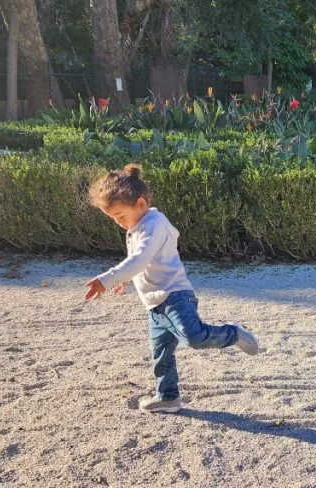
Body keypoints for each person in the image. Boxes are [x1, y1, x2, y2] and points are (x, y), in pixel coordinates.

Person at [84, 164, 258, 413]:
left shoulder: (155, 223)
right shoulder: (136, 227)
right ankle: (168, 397)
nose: (119, 223)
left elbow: (140, 259)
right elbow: (140, 264)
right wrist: (125, 279)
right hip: (155, 306)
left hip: (175, 296)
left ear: (141, 204)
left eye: (120, 216)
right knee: (161, 355)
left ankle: (233, 333)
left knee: (194, 338)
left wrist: (108, 278)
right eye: (113, 219)